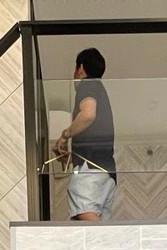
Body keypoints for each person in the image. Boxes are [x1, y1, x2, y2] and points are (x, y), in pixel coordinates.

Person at [54, 47, 116, 221]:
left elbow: (88, 114)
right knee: (95, 222)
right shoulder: (101, 90)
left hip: (90, 168)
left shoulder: (88, 84)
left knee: (85, 213)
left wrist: (65, 135)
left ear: (80, 68)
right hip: (107, 172)